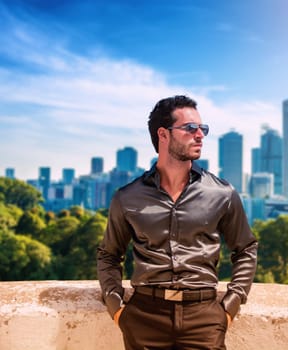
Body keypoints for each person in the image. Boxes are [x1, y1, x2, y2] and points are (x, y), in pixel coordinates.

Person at [97, 95, 258, 350]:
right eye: (190, 128)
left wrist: (230, 305)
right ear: (163, 134)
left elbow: (246, 248)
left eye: (202, 129)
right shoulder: (127, 197)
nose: (200, 135)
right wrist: (116, 307)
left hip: (204, 318)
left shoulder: (222, 193)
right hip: (144, 318)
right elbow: (108, 254)